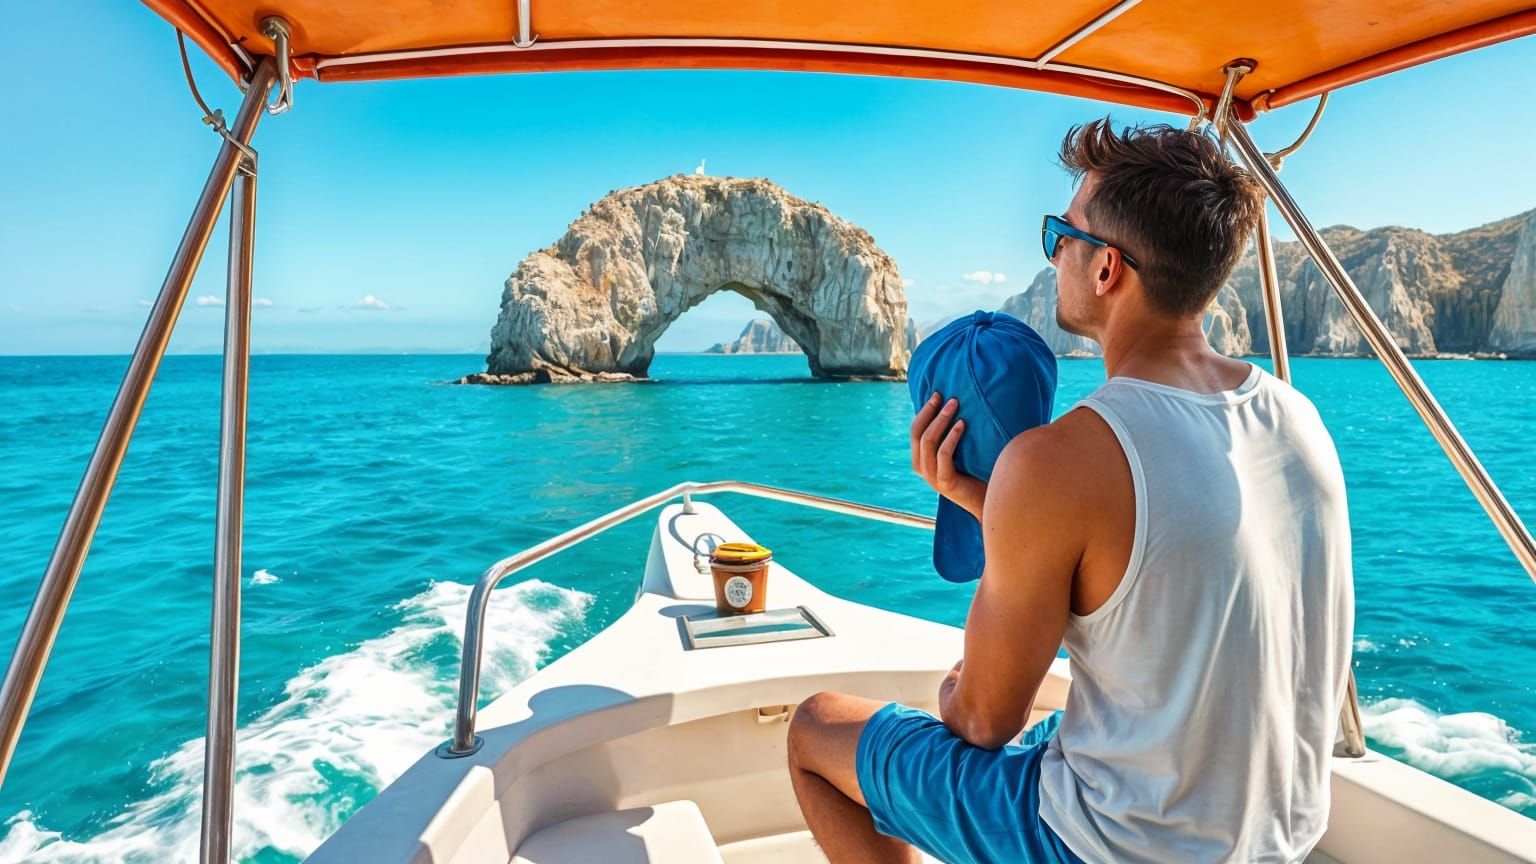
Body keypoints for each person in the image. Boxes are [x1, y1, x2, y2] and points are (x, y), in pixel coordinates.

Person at [785, 118, 1355, 864]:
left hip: (1116, 849)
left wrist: (956, 689)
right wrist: (980, 503)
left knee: (816, 728)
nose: (1053, 253)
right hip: (1279, 836)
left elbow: (982, 723)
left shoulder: (1059, 460)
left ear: (1106, 270)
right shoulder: (1294, 415)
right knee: (1059, 721)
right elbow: (1158, 555)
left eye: (1060, 233)